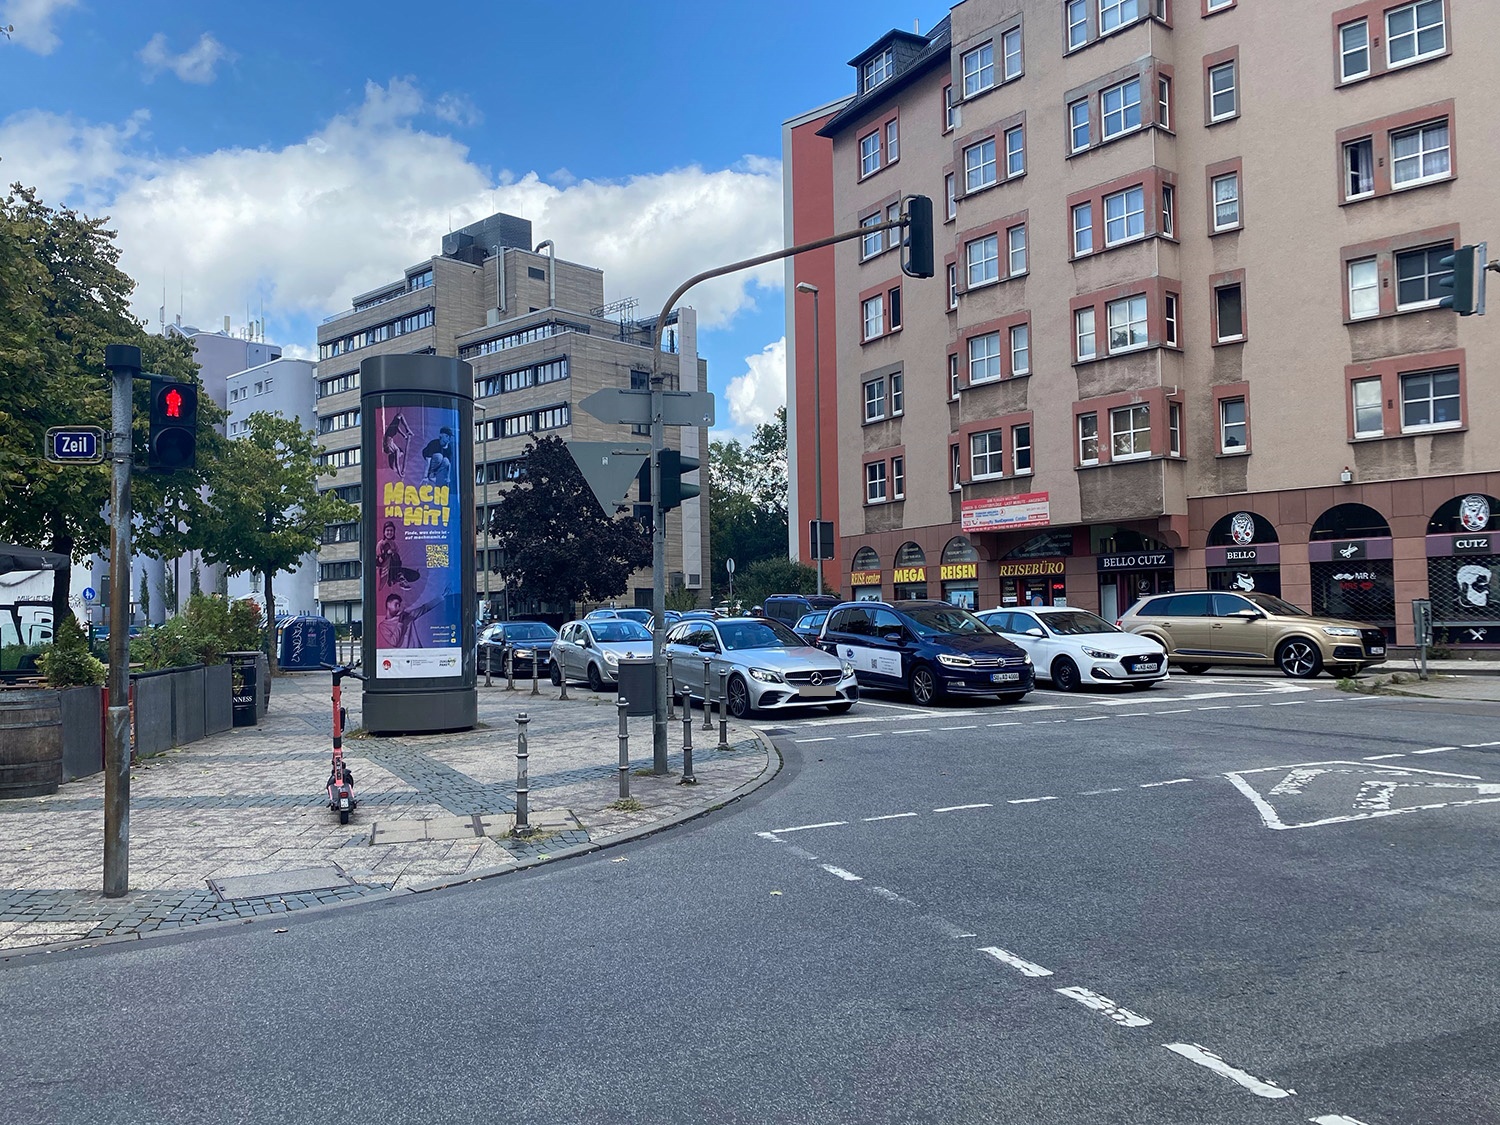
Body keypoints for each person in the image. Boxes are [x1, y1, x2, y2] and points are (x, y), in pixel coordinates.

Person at [377, 590, 445, 648]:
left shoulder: (407, 616)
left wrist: (441, 597)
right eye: (396, 604)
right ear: (388, 604)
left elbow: (424, 608)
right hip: (405, 656)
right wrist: (400, 623)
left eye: (399, 605)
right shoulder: (383, 626)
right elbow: (394, 642)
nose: (398, 607)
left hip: (419, 652)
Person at [383, 412, 413, 477]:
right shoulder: (396, 450)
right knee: (399, 415)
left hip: (388, 437)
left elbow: (397, 464)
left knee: (400, 415)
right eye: (400, 455)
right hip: (388, 437)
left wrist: (400, 474)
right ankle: (408, 430)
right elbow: (397, 428)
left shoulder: (395, 449)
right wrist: (404, 435)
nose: (399, 456)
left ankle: (408, 430)